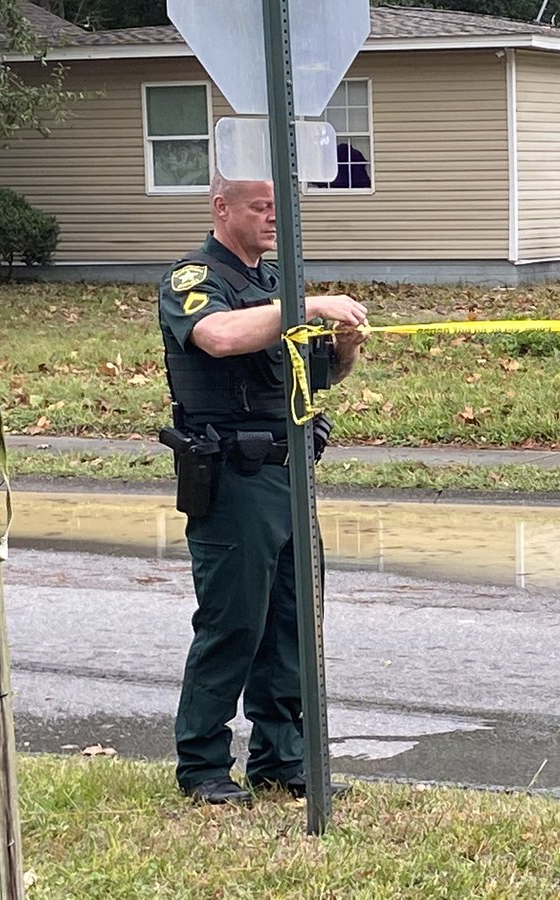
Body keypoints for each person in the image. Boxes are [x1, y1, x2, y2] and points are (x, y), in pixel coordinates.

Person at [157, 175, 368, 806]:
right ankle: (202, 767)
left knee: (292, 625)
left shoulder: (276, 284)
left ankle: (282, 760)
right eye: (260, 207)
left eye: (281, 207)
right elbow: (219, 337)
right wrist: (310, 304)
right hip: (233, 480)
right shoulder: (193, 280)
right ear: (222, 208)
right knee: (233, 625)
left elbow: (320, 374)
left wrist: (347, 347)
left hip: (292, 473)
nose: (274, 218)